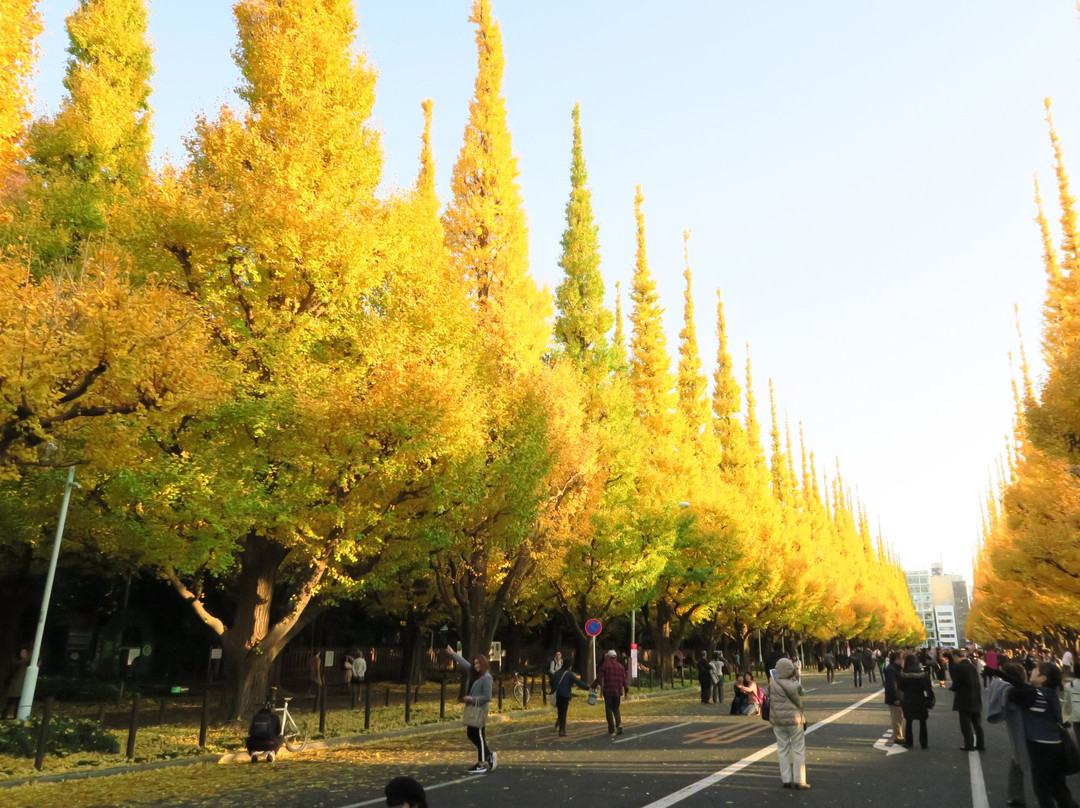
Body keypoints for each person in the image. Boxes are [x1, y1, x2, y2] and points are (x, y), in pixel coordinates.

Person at [1004, 661, 1074, 808]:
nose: (1032, 670)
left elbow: (1012, 694)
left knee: (1042, 790)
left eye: (1036, 669)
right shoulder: (1048, 694)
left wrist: (1000, 679)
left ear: (1043, 678)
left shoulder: (1038, 696)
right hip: (1056, 745)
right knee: (1058, 788)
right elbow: (1023, 688)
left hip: (1041, 747)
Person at [987, 662, 1032, 808]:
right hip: (1032, 735)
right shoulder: (1018, 693)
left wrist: (1000, 674)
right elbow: (1029, 690)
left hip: (1021, 736)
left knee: (1017, 763)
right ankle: (1017, 797)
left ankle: (1016, 796)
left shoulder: (1009, 692)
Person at [447, 644, 496, 773]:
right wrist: (453, 654)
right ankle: (488, 755)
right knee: (470, 734)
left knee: (479, 736)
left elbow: (488, 697)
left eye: (478, 663)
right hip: (472, 710)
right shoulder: (474, 673)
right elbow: (465, 664)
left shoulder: (487, 678)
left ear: (484, 664)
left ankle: (481, 764)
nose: (476, 666)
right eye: (475, 663)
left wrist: (472, 699)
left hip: (480, 710)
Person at [768, 657, 810, 789]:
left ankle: (786, 779)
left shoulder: (772, 684)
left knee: (782, 749)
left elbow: (765, 694)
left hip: (778, 720)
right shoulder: (795, 684)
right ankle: (800, 780)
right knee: (798, 750)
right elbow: (802, 693)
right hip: (794, 720)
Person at [949, 648, 985, 752]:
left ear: (955, 656)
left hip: (964, 698)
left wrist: (952, 688)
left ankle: (969, 744)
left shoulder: (959, 667)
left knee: (965, 723)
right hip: (975, 697)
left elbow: (957, 683)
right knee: (977, 723)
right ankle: (980, 744)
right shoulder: (971, 666)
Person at [899, 653, 933, 749]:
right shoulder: (922, 673)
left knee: (909, 722)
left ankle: (909, 743)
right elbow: (928, 687)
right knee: (923, 722)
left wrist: (901, 700)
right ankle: (924, 743)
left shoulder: (903, 674)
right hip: (921, 699)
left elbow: (901, 688)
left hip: (908, 699)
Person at [591, 649, 628, 737]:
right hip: (618, 692)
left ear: (608, 657)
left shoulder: (605, 666)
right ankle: (619, 724)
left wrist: (594, 686)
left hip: (608, 691)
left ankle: (611, 730)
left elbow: (599, 678)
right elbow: (624, 681)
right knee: (616, 708)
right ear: (615, 657)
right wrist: (626, 691)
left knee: (609, 709)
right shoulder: (621, 667)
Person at [550, 658, 589, 736]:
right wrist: (588, 688)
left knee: (560, 711)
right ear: (570, 666)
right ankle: (562, 730)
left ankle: (559, 723)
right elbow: (579, 683)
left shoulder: (557, 673)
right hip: (565, 695)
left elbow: (551, 682)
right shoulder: (569, 674)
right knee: (563, 712)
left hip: (557, 694)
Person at [883, 651, 905, 746]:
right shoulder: (892, 670)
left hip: (895, 696)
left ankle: (899, 735)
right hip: (895, 697)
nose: (902, 660)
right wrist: (896, 698)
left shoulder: (893, 668)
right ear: (897, 659)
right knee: (897, 717)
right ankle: (898, 736)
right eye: (901, 658)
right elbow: (892, 685)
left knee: (898, 716)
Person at [2, 648, 29, 720]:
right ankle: (4, 718)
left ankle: (16, 718)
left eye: (25, 653)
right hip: (15, 688)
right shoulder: (18, 663)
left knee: (18, 705)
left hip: (21, 688)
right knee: (10, 703)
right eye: (23, 652)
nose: (24, 654)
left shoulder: (26, 664)